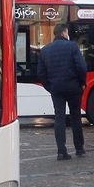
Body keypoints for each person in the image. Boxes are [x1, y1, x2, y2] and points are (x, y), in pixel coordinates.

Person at [36, 23, 87, 160]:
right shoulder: (72, 46)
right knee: (76, 117)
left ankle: (61, 151)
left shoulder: (45, 50)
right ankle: (79, 148)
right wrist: (82, 83)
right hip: (73, 87)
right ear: (64, 33)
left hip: (56, 88)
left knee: (59, 118)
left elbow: (41, 73)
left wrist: (50, 87)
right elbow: (81, 67)